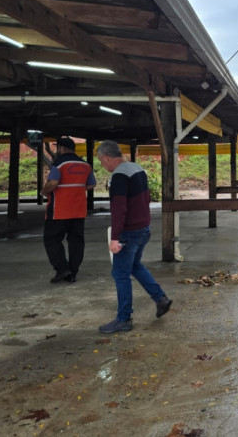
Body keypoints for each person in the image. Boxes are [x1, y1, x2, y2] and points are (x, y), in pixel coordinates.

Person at [96, 140, 171, 334]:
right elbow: (145, 199)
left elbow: (119, 209)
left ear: (107, 158)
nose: (102, 166)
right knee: (135, 266)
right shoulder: (136, 168)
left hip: (128, 232)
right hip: (143, 228)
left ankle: (124, 319)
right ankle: (160, 298)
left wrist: (114, 238)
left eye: (101, 161)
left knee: (120, 274)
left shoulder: (119, 176)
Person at [41, 137, 96, 283]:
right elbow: (91, 185)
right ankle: (73, 271)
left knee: (51, 239)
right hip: (78, 211)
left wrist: (43, 191)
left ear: (61, 148)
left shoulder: (59, 163)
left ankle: (62, 269)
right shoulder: (85, 165)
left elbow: (52, 183)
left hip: (59, 210)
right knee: (76, 241)